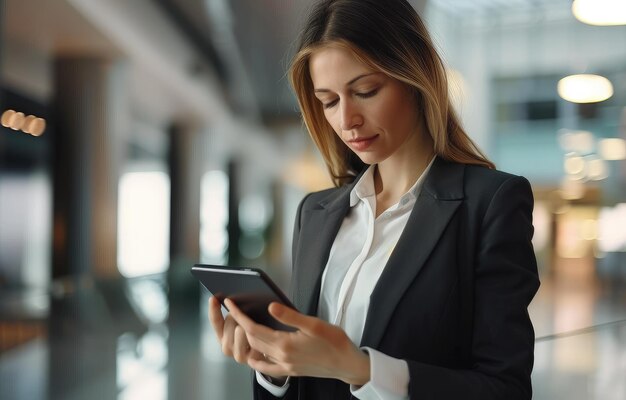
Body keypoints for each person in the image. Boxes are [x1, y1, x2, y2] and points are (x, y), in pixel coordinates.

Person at [208, 0, 540, 398]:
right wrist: (273, 369)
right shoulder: (315, 212)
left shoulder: (491, 205)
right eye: (328, 101)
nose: (346, 121)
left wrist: (358, 368)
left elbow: (505, 389)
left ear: (415, 77)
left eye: (365, 91)